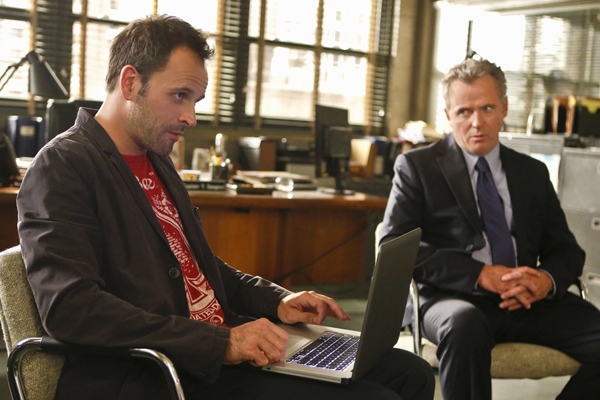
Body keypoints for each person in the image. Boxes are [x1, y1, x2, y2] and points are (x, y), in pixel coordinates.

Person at [17, 15, 434, 400]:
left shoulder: (157, 160)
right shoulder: (64, 166)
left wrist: (277, 300)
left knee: (409, 372)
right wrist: (221, 342)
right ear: (130, 83)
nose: (190, 117)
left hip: (215, 350)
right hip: (159, 372)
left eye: (195, 101)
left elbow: (195, 266)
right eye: (179, 96)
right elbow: (71, 309)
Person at [380, 57, 600, 400]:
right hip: (451, 297)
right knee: (464, 325)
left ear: (504, 108)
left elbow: (567, 251)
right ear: (448, 115)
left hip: (524, 300)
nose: (477, 122)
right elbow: (394, 245)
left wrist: (545, 280)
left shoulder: (532, 172)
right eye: (464, 111)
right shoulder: (416, 167)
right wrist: (480, 275)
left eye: (487, 108)